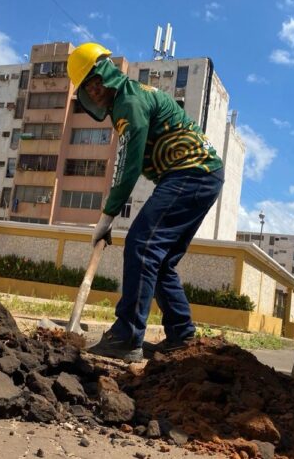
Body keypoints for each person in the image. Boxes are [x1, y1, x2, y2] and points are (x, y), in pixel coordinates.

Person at [66, 42, 224, 363]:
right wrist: (108, 216)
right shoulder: (129, 99)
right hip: (200, 175)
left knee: (142, 245)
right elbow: (126, 161)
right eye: (87, 88)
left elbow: (129, 164)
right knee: (160, 259)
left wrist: (108, 215)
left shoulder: (130, 102)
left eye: (96, 81)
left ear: (107, 74)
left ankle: (126, 336)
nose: (94, 91)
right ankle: (180, 334)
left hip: (190, 171)